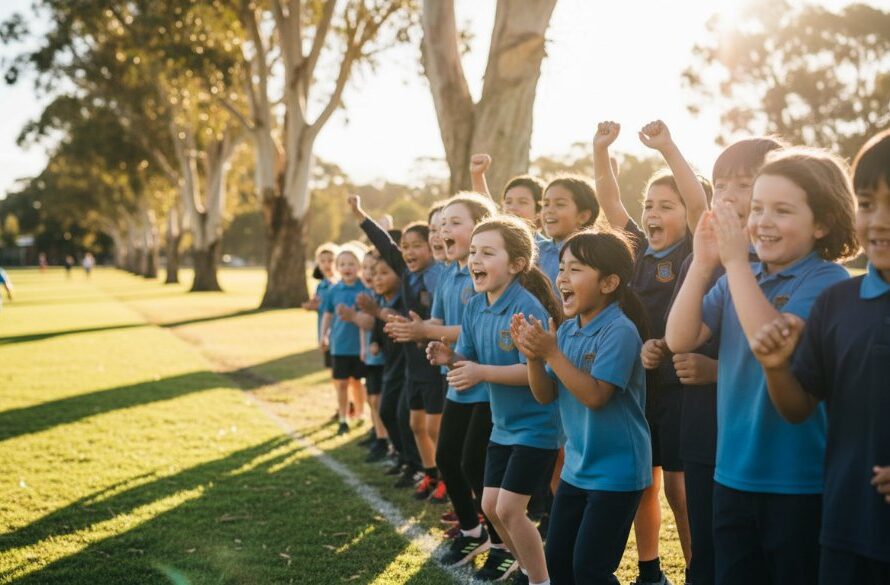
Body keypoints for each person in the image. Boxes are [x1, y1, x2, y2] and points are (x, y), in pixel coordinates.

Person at [665, 147, 858, 585]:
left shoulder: (827, 281)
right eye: (758, 209)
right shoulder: (743, 277)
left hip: (798, 483)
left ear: (823, 222)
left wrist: (734, 265)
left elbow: (768, 342)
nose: (762, 221)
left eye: (782, 211)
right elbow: (679, 338)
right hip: (733, 474)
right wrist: (702, 264)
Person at [749, 130, 890, 585]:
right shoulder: (839, 301)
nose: (879, 221)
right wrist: (776, 368)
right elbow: (798, 407)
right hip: (844, 530)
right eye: (867, 203)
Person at [650, 136, 786, 585]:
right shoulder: (706, 258)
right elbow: (680, 335)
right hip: (706, 428)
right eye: (721, 183)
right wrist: (705, 265)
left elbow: (790, 364)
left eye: (743, 183)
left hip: (768, 442)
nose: (727, 194)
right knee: (710, 549)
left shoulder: (792, 270)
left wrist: (715, 371)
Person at [593, 119, 710, 585]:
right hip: (640, 387)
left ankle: (699, 571)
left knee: (681, 493)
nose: (652, 213)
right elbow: (607, 198)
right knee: (646, 482)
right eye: (649, 205)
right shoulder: (637, 249)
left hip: (680, 385)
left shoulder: (694, 251)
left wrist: (667, 148)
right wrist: (601, 150)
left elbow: (701, 202)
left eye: (666, 205)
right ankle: (650, 569)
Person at [428, 215, 562, 585]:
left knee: (509, 509)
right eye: (473, 251)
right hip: (503, 428)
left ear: (517, 265)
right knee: (490, 506)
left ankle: (540, 579)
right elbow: (470, 361)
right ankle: (526, 568)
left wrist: (480, 373)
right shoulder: (474, 305)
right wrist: (449, 358)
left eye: (488, 252)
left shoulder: (527, 309)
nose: (475, 260)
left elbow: (534, 373)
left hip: (535, 427)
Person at [515, 228, 651, 585]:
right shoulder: (567, 330)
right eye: (561, 268)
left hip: (618, 473)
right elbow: (545, 395)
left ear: (608, 283)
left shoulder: (620, 331)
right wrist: (533, 357)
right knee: (558, 564)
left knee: (591, 571)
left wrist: (551, 353)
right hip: (577, 469)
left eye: (575, 269)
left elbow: (595, 396)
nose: (562, 278)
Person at [348, 195, 444, 489]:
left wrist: (421, 329)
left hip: (434, 364)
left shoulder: (439, 275)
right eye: (406, 247)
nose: (409, 251)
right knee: (410, 421)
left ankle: (443, 477)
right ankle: (426, 472)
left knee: (433, 427)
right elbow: (385, 246)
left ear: (432, 248)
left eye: (417, 245)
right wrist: (361, 216)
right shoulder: (406, 272)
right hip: (412, 366)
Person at [320, 243, 370, 436]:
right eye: (342, 264)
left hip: (359, 348)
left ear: (358, 266)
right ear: (337, 267)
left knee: (358, 383)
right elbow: (327, 315)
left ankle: (359, 413)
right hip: (339, 346)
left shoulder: (364, 289)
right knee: (341, 383)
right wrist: (323, 336)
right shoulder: (334, 290)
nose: (347, 268)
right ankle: (343, 418)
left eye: (351, 264)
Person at [536, 176, 600, 292]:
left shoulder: (591, 257)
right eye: (545, 204)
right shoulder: (536, 250)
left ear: (583, 216)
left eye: (560, 204)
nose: (549, 210)